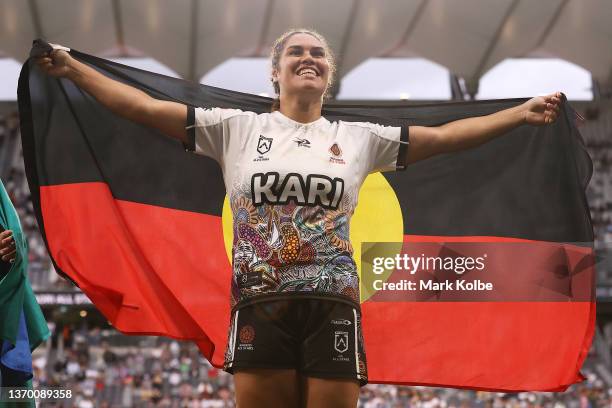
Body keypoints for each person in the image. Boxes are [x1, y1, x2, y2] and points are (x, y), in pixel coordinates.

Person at [34, 28, 561, 408]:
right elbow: (144, 109)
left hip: (334, 305)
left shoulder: (358, 138)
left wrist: (521, 112)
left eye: (317, 53)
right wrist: (73, 68)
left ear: (328, 74)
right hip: (260, 303)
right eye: (296, 52)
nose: (308, 58)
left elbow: (445, 138)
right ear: (276, 70)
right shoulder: (234, 129)